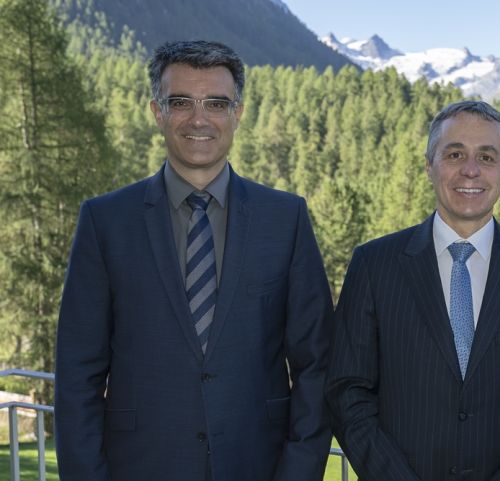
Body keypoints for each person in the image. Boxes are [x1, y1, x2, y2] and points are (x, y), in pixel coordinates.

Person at [54, 40, 333, 481]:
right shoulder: (104, 221)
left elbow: (317, 365)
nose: (199, 118)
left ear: (237, 114)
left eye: (216, 103)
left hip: (257, 466)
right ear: (157, 111)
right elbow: (77, 375)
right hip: (139, 467)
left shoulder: (286, 218)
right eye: (180, 101)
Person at [325, 100, 500, 481]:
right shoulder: (373, 265)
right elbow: (347, 392)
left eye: (487, 156)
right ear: (429, 165)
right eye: (454, 153)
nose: (470, 169)